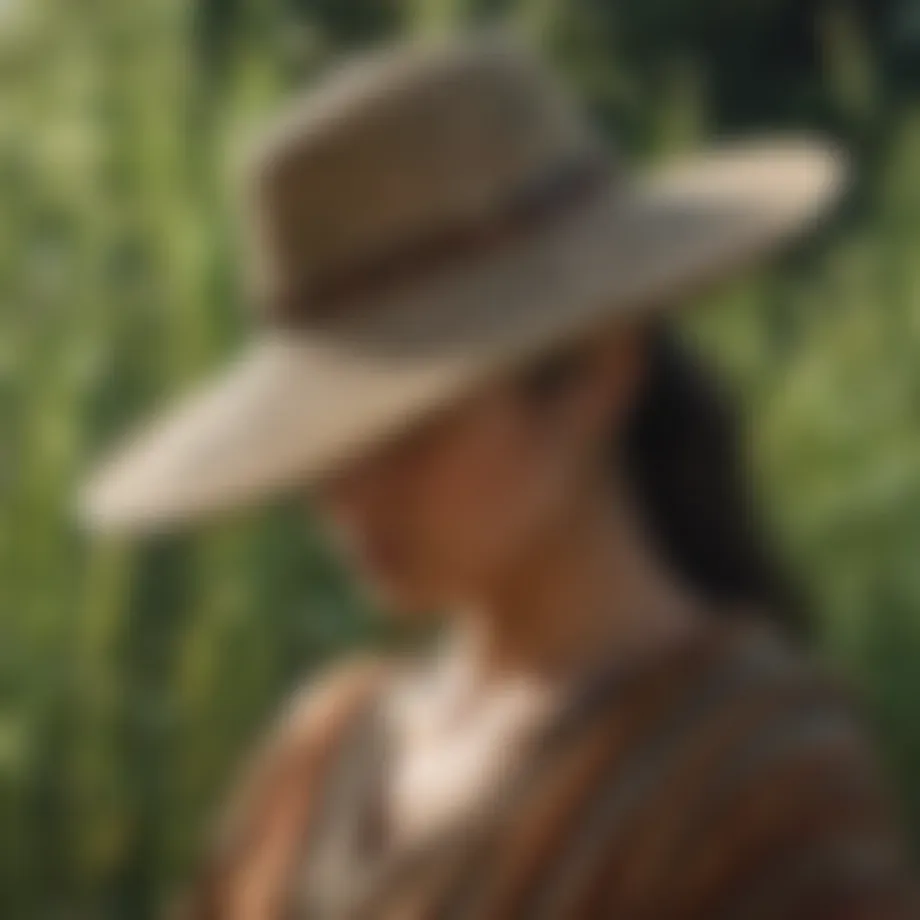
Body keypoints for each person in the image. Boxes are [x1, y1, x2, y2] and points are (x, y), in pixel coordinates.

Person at [78, 28, 916, 920]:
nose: (346, 492)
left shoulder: (754, 787)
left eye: (406, 431)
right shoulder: (322, 757)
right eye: (324, 438)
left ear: (595, 372)